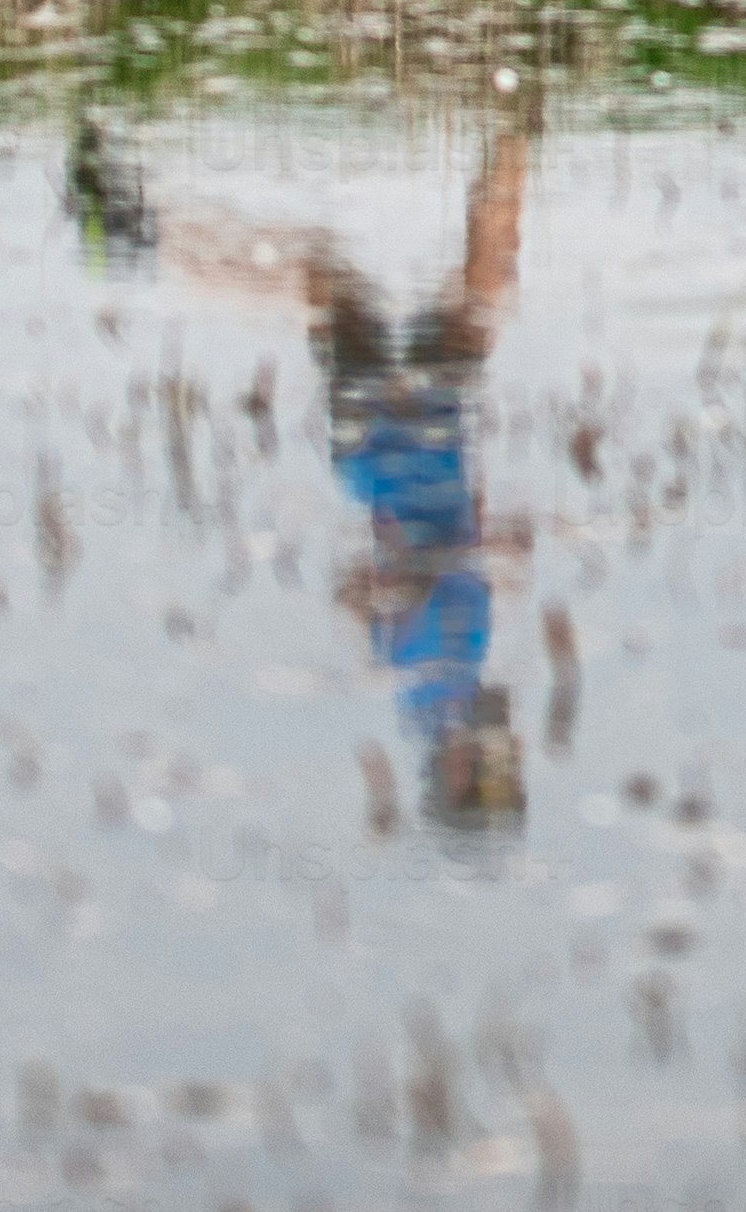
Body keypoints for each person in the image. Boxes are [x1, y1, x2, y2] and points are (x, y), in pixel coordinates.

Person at [73, 86, 544, 844]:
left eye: (495, 773)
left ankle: (518, 118)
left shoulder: (431, 689)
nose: (510, 751)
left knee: (370, 280)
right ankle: (516, 122)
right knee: (436, 287)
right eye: (511, 767)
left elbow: (366, 594)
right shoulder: (458, 680)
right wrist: (483, 533)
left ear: (458, 772)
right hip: (428, 439)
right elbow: (416, 568)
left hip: (391, 445)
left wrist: (456, 556)